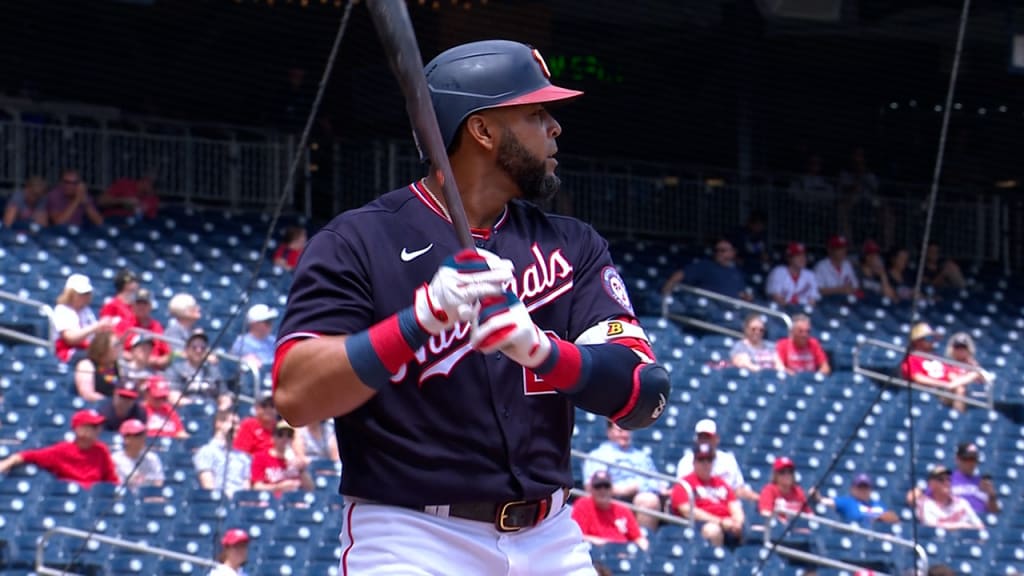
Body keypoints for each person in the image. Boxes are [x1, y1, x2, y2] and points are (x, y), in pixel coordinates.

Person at [273, 40, 669, 575]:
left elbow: (644, 396)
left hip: (550, 535)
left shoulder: (572, 245)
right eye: (536, 113)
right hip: (412, 536)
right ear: (482, 131)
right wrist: (419, 321)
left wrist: (545, 353)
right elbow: (296, 396)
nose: (555, 128)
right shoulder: (357, 241)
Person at [0, 409, 118, 488]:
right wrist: (8, 462)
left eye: (97, 427)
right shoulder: (62, 450)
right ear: (79, 429)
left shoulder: (101, 450)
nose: (98, 430)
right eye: (92, 427)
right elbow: (29, 455)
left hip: (93, 501)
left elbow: (112, 480)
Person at [582, 421, 666, 532]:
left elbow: (657, 484)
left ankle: (644, 542)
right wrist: (627, 489)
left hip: (642, 497)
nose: (625, 434)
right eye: (620, 430)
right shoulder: (599, 455)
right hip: (612, 500)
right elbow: (592, 487)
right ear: (609, 432)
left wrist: (638, 486)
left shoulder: (642, 457)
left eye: (627, 430)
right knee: (648, 500)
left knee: (650, 500)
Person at [671, 441, 744, 546]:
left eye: (709, 460)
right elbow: (687, 510)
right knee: (713, 530)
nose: (705, 464)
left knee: (750, 530)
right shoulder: (684, 484)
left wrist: (737, 522)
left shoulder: (720, 483)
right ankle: (715, 560)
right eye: (701, 460)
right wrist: (720, 521)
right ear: (694, 462)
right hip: (699, 524)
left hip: (728, 524)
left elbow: (734, 505)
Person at [901, 323, 976, 412]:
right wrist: (944, 384)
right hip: (933, 391)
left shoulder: (935, 358)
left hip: (948, 389)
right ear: (918, 341)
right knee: (960, 389)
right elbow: (918, 378)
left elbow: (949, 373)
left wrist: (955, 381)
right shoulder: (912, 359)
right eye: (929, 338)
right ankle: (959, 415)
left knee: (974, 374)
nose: (932, 341)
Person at [675, 419, 757, 501]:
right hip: (699, 505)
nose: (704, 441)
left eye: (708, 437)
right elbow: (682, 491)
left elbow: (738, 490)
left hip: (725, 506)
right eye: (701, 437)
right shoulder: (686, 462)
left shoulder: (728, 460)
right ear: (696, 440)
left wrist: (760, 499)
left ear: (716, 439)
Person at [571, 471, 649, 551]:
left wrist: (645, 552)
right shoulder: (582, 505)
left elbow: (638, 538)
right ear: (591, 489)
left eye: (606, 486)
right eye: (598, 486)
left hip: (621, 554)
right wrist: (600, 542)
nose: (602, 490)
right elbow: (576, 536)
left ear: (612, 489)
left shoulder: (623, 510)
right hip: (595, 553)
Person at [53, 273, 117, 363]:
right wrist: (96, 327)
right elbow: (70, 338)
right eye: (81, 294)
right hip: (69, 352)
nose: (85, 297)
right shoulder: (62, 310)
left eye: (87, 293)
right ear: (71, 294)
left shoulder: (86, 311)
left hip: (87, 349)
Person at [660, 238, 751, 301]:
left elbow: (741, 292)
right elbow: (680, 274)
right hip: (713, 309)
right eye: (716, 250)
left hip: (734, 309)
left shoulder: (736, 272)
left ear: (732, 253)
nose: (719, 253)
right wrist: (667, 290)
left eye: (723, 250)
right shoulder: (705, 266)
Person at [165, 330, 230, 408]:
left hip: (210, 411)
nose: (198, 350)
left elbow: (224, 395)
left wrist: (222, 407)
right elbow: (173, 396)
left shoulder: (213, 370)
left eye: (202, 348)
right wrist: (196, 405)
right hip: (185, 410)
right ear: (187, 350)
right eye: (194, 347)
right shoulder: (176, 369)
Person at [195, 411, 252, 498]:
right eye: (234, 423)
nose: (238, 428)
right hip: (218, 502)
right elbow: (208, 486)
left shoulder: (243, 456)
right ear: (219, 424)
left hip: (240, 504)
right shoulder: (207, 451)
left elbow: (246, 486)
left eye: (238, 424)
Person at [251, 421, 313, 496]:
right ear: (273, 437)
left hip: (295, 500)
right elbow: (257, 487)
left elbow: (310, 488)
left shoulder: (297, 459)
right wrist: (279, 487)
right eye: (280, 435)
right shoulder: (261, 458)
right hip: (272, 500)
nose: (285, 438)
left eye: (289, 435)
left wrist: (301, 470)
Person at [915, 465, 984, 530]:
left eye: (948, 479)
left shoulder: (961, 503)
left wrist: (965, 526)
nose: (946, 482)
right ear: (931, 484)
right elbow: (931, 527)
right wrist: (960, 525)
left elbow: (980, 526)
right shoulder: (925, 504)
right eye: (941, 480)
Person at [112, 419, 164, 491]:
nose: (142, 438)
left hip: (148, 498)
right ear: (126, 439)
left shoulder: (152, 458)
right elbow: (115, 487)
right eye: (137, 435)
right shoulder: (115, 460)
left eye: (143, 434)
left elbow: (158, 482)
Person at [827, 473, 899, 526]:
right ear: (853, 489)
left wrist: (879, 518)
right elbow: (827, 502)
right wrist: (817, 497)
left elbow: (894, 519)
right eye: (860, 487)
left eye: (866, 488)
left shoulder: (877, 504)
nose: (863, 491)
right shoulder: (848, 502)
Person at [125, 289, 172, 369]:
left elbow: (168, 354)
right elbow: (116, 350)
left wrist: (159, 360)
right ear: (133, 305)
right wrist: (138, 358)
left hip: (153, 371)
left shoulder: (156, 326)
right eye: (138, 303)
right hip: (130, 368)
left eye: (145, 304)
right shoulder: (125, 324)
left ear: (150, 306)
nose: (141, 307)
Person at [765, 243, 819, 307]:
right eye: (798, 256)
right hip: (783, 307)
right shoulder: (778, 272)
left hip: (804, 308)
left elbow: (813, 299)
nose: (802, 259)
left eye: (804, 256)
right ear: (789, 258)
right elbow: (775, 296)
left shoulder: (810, 275)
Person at [757, 456, 811, 520]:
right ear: (775, 475)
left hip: (797, 528)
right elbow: (765, 513)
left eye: (790, 472)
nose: (787, 475)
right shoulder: (769, 490)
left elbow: (809, 515)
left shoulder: (798, 491)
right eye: (782, 472)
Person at [73, 332, 122, 401]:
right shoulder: (87, 365)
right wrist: (110, 403)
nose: (120, 348)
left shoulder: (117, 367)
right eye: (116, 345)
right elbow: (87, 394)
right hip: (94, 407)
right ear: (103, 347)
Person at [231, 304, 278, 369]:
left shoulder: (274, 340)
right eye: (267, 322)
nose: (270, 324)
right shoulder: (242, 342)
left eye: (271, 321)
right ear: (254, 324)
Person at [98, 268, 139, 338]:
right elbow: (104, 330)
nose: (136, 284)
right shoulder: (111, 305)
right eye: (132, 282)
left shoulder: (136, 306)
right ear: (124, 285)